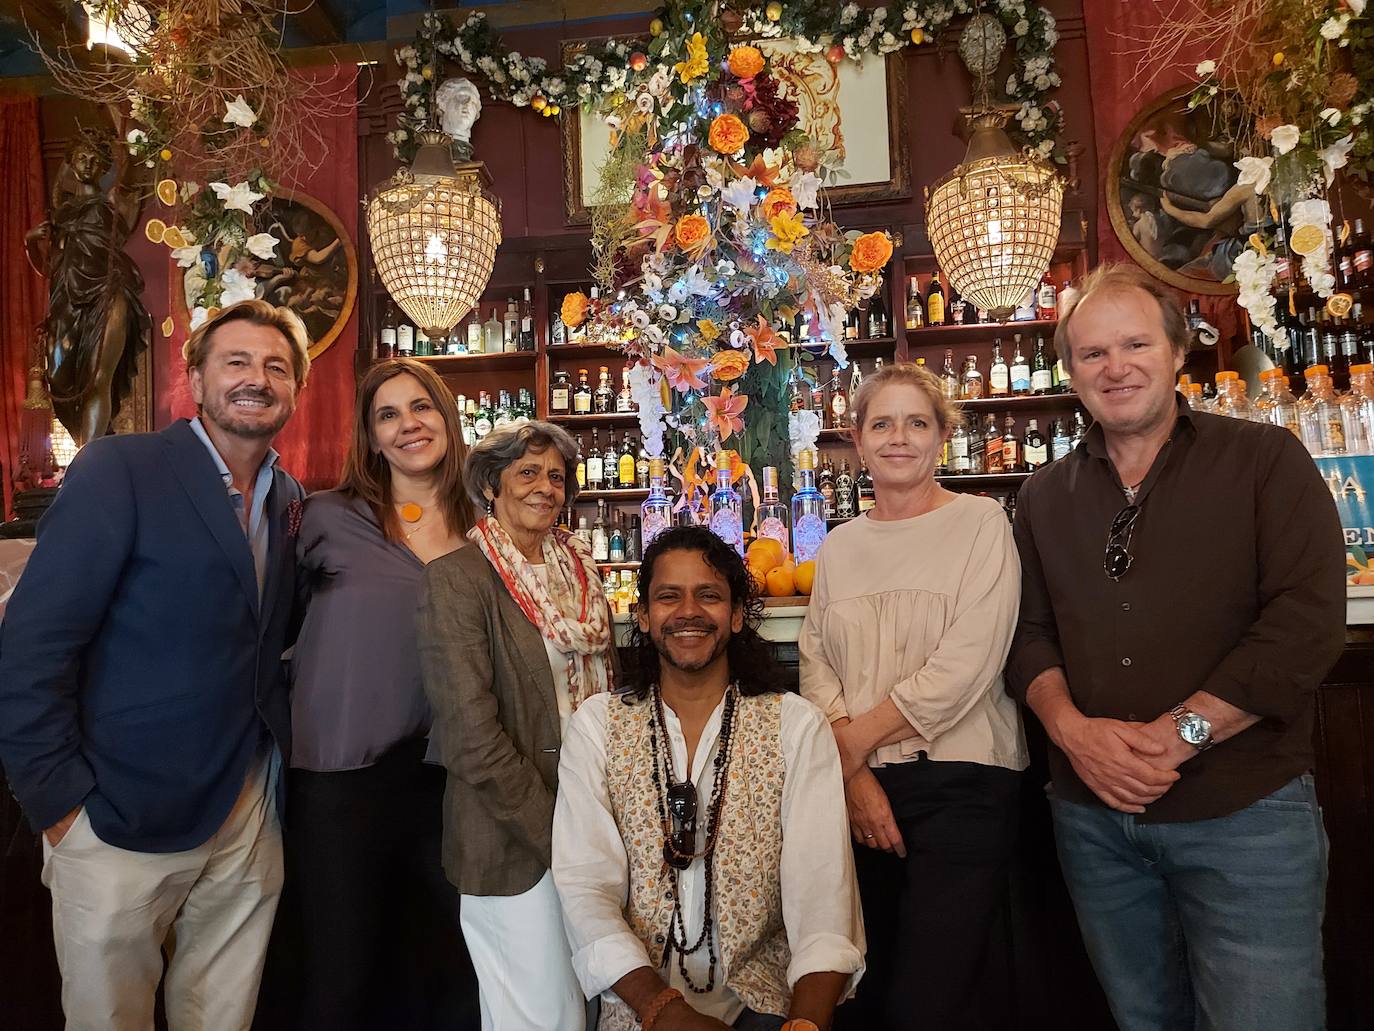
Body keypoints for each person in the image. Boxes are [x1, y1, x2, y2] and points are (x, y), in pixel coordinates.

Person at [1007, 263, 1345, 1031]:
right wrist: (1073, 733)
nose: (1115, 367)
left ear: (1178, 350)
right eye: (1093, 353)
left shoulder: (1264, 459)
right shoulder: (1043, 494)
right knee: (1143, 1020)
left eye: (1135, 344)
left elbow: (1306, 621)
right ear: (1071, 370)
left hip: (1245, 812)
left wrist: (1178, 735)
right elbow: (1028, 635)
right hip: (1094, 823)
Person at [0, 299, 309, 1031]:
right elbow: (34, 644)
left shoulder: (289, 499)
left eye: (276, 367)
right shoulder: (122, 468)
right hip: (115, 817)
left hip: (246, 818)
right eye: (236, 361)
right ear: (195, 381)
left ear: (295, 390)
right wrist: (59, 805)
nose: (256, 379)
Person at [554, 525, 865, 1031]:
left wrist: (806, 1022)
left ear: (738, 615)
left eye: (709, 595)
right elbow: (586, 889)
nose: (688, 613)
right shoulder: (598, 727)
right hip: (643, 1011)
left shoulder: (794, 725)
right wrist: (663, 1011)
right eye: (668, 597)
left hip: (764, 1002)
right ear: (644, 616)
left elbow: (823, 892)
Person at [798, 362, 1027, 1031]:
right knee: (869, 988)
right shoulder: (838, 545)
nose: (900, 437)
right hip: (861, 788)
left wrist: (852, 745)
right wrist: (856, 775)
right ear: (859, 441)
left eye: (917, 422)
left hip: (964, 783)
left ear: (942, 437)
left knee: (929, 1000)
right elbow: (816, 663)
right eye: (883, 423)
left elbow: (968, 663)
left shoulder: (983, 523)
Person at [285, 358, 478, 1030]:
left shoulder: (489, 525)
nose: (407, 425)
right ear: (369, 437)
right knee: (341, 979)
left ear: (447, 420)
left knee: (453, 972)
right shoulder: (324, 518)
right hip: (341, 781)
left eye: (420, 407)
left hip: (453, 780)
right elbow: (258, 626)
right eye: (387, 414)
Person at [418, 420, 617, 1031]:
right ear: (491, 484)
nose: (546, 488)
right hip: (512, 838)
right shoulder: (457, 578)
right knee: (540, 1017)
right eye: (528, 472)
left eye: (556, 476)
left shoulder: (581, 573)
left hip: (595, 817)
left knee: (596, 1002)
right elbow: (470, 736)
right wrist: (556, 829)